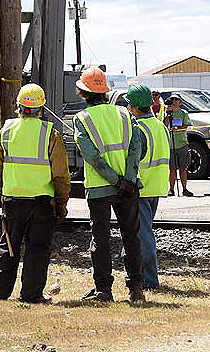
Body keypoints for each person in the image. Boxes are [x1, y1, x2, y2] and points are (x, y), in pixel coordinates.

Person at [72, 66, 147, 303]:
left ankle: (104, 290)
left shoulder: (82, 119)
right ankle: (136, 289)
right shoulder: (125, 115)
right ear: (105, 91)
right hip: (129, 187)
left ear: (83, 93)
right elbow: (137, 148)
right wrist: (128, 180)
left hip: (100, 190)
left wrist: (115, 181)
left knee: (101, 239)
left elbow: (92, 157)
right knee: (131, 237)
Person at [0, 84, 71, 303]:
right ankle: (31, 295)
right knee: (37, 249)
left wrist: (6, 188)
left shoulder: (5, 131)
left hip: (13, 200)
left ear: (18, 106)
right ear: (41, 108)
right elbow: (61, 174)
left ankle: (0, 293)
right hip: (42, 203)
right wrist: (62, 203)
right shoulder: (50, 134)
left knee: (8, 246)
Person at [126, 84, 170, 290]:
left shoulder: (138, 129)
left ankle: (150, 280)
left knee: (144, 236)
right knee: (144, 232)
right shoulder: (160, 125)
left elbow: (134, 159)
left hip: (142, 187)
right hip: (157, 186)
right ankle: (139, 272)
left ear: (134, 107)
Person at [164, 93, 193, 197]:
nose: (174, 101)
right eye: (173, 100)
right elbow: (164, 124)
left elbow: (186, 125)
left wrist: (178, 129)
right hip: (171, 145)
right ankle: (171, 189)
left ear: (181, 102)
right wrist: (168, 114)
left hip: (182, 144)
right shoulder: (167, 113)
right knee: (172, 169)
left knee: (182, 168)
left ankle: (184, 189)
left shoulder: (183, 113)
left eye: (176, 100)